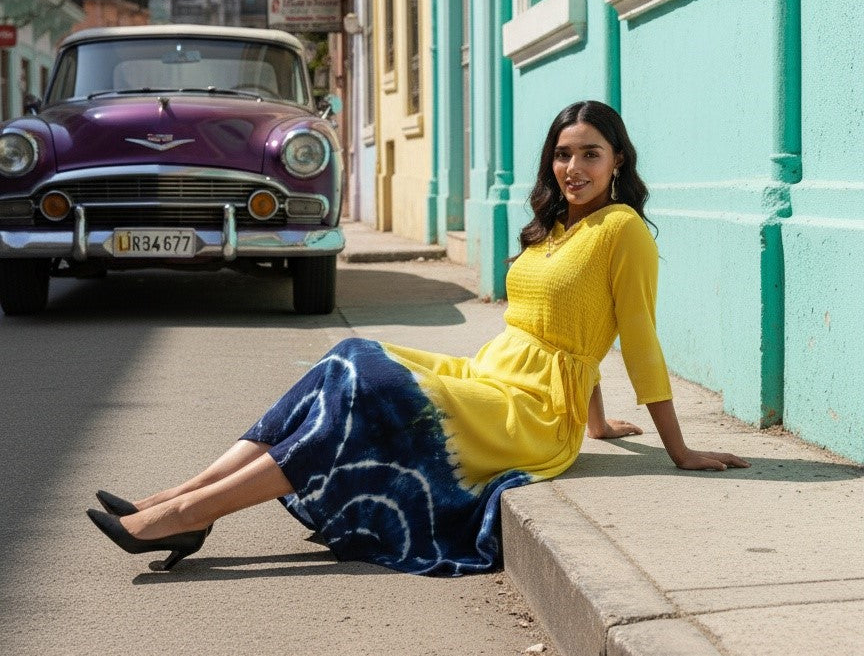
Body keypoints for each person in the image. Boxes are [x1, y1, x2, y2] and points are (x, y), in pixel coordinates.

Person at [87, 101, 747, 575]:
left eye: (589, 154)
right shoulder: (554, 227)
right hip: (491, 376)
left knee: (369, 389)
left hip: (534, 413)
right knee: (349, 359)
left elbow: (633, 337)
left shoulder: (623, 229)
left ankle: (195, 513)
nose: (572, 167)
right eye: (563, 153)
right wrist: (600, 424)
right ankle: (183, 497)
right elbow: (570, 322)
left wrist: (678, 449)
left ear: (618, 160)